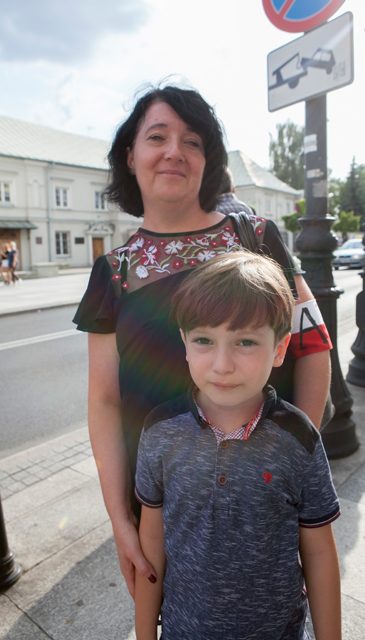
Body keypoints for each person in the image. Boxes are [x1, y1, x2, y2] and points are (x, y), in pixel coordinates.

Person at [72, 84, 332, 597]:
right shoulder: (113, 273)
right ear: (130, 155)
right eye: (157, 137)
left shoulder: (256, 237)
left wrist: (294, 460)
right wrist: (120, 519)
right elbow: (104, 400)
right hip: (161, 503)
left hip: (265, 493)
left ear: (207, 159)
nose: (174, 151)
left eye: (192, 141)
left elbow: (312, 344)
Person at [135, 251, 341, 640]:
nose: (222, 364)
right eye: (204, 340)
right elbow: (152, 543)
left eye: (245, 341)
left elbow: (319, 554)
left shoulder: (298, 439)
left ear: (279, 348)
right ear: (184, 342)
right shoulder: (160, 431)